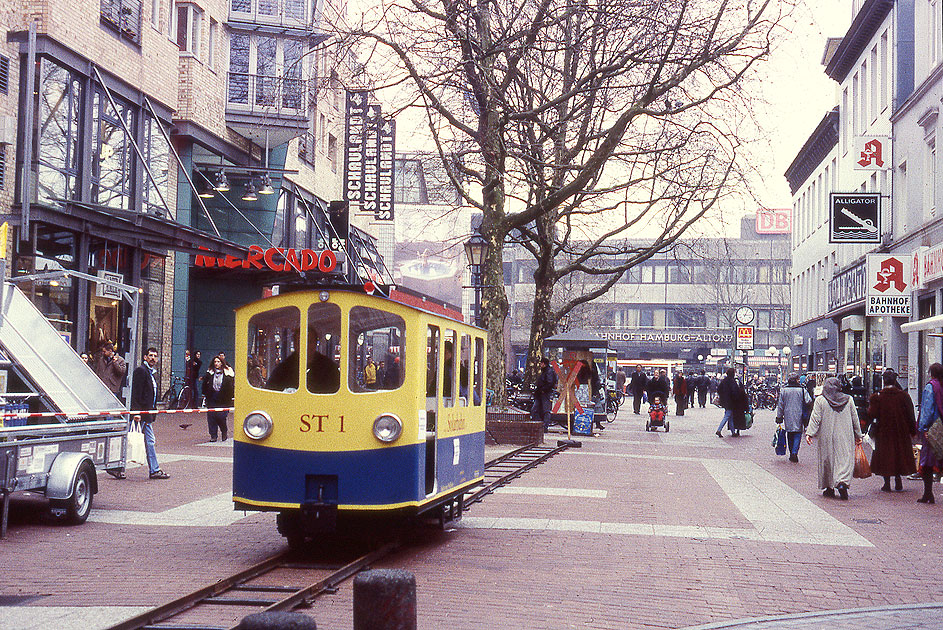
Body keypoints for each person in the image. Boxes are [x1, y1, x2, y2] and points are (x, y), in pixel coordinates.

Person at [805, 377, 862, 500]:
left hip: (827, 435)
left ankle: (829, 488)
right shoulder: (848, 400)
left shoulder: (820, 400)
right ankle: (842, 483)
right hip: (845, 435)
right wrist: (858, 434)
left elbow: (816, 418)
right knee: (844, 459)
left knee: (827, 460)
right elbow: (854, 419)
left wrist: (810, 433)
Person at [867, 369, 916, 492]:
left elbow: (872, 414)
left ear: (884, 381)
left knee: (885, 455)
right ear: (895, 380)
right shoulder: (904, 396)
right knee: (899, 453)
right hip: (901, 431)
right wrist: (913, 430)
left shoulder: (878, 397)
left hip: (884, 432)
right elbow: (911, 414)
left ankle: (887, 483)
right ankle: (898, 479)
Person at [130, 347, 170, 480]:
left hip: (147, 415)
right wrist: (136, 412)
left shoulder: (150, 372)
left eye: (155, 356)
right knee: (133, 440)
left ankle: (154, 470)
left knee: (149, 441)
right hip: (140, 415)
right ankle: (117, 468)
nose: (153, 358)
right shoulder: (141, 371)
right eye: (150, 355)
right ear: (145, 357)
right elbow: (135, 393)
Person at [916, 363, 943, 504]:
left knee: (927, 460)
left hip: (933, 428)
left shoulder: (930, 387)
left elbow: (927, 409)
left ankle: (928, 493)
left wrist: (923, 428)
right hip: (941, 427)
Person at [776, 373, 813, 462]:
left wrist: (779, 416)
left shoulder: (784, 390)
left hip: (787, 415)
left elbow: (780, 405)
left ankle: (791, 451)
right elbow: (809, 401)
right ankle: (794, 452)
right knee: (797, 433)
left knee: (789, 433)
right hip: (799, 415)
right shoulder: (802, 390)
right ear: (797, 380)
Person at [202, 355, 235, 442]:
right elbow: (205, 384)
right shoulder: (210, 373)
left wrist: (230, 399)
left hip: (223, 399)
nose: (216, 364)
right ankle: (213, 435)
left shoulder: (228, 373)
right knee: (211, 417)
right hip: (212, 397)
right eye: (215, 362)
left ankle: (224, 431)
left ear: (222, 363)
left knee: (221, 417)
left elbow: (231, 387)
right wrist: (205, 394)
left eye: (218, 362)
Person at [716, 368, 747, 437]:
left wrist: (723, 397)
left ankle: (733, 432)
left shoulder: (724, 380)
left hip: (725, 402)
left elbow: (718, 389)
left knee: (730, 417)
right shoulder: (732, 381)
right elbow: (735, 392)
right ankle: (719, 430)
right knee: (727, 416)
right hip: (731, 402)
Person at [532, 357, 558, 431]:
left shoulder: (548, 372)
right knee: (540, 410)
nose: (540, 364)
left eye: (541, 363)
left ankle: (543, 426)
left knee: (542, 410)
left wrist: (543, 390)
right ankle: (542, 425)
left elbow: (549, 383)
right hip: (542, 393)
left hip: (544, 394)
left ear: (544, 364)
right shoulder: (547, 371)